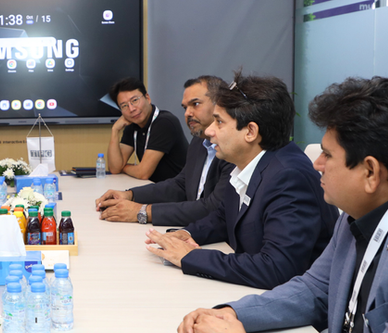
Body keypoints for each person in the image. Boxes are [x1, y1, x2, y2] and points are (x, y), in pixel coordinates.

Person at [177, 77, 388, 333]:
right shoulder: (354, 217)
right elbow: (313, 290)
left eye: (328, 155)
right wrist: (228, 314)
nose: (317, 163)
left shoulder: (293, 176)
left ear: (370, 172)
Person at [146, 72, 338, 289]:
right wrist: (186, 234)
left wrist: (190, 257)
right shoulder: (246, 163)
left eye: (219, 122)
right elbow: (223, 217)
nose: (209, 130)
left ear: (250, 132)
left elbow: (276, 268)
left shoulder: (289, 177)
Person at [96, 75, 234, 225]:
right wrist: (130, 195)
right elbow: (180, 185)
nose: (187, 113)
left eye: (195, 104)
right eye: (185, 107)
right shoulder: (199, 141)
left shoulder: (232, 148)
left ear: (219, 105)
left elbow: (213, 208)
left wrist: (142, 211)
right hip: (193, 225)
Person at [106, 77, 188, 182]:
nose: (132, 109)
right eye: (124, 106)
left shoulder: (165, 123)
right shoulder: (133, 125)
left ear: (147, 98)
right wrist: (115, 130)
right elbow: (114, 168)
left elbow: (142, 173)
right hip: (154, 186)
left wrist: (124, 167)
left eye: (135, 100)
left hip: (179, 189)